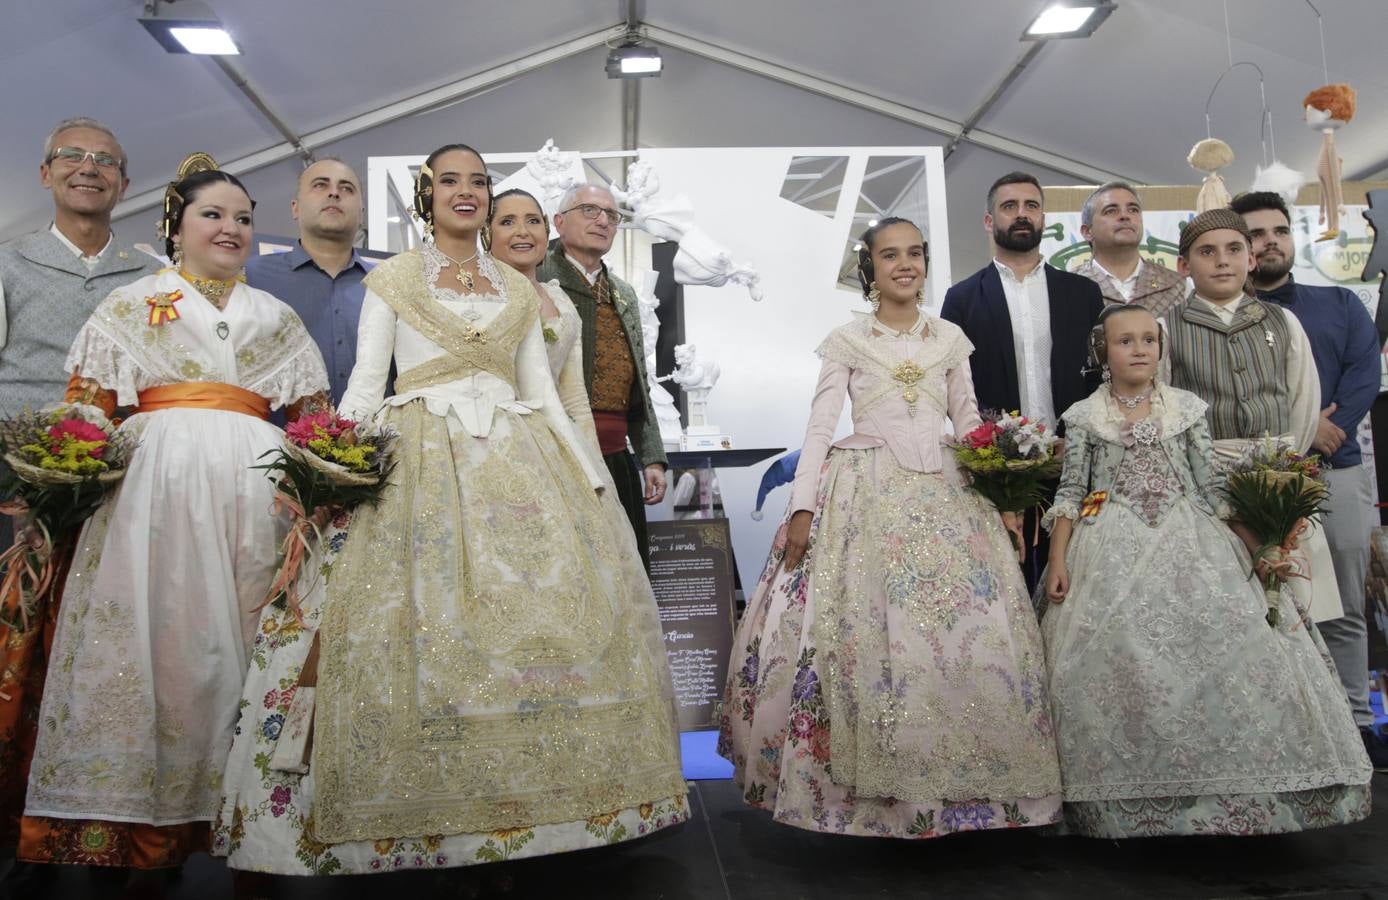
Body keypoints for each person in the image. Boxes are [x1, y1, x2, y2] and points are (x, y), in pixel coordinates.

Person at [214, 144, 687, 878]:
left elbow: (540, 388)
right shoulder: (395, 277)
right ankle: (421, 808)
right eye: (451, 182)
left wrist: (591, 482)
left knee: (547, 623)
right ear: (425, 195)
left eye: (478, 182)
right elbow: (368, 386)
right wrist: (331, 473)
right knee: (422, 625)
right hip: (422, 452)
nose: (466, 193)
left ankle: (538, 806)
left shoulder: (516, 287)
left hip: (522, 452)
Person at [19, 155, 329, 879]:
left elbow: (315, 421)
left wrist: (330, 479)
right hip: (150, 501)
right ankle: (140, 831)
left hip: (259, 503)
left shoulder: (275, 315)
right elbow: (85, 408)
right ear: (176, 226)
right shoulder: (132, 302)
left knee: (252, 643)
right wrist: (57, 473)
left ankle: (254, 826)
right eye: (212, 215)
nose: (231, 228)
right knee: (161, 645)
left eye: (244, 219)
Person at [719, 217, 1062, 838]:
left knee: (964, 634)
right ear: (868, 269)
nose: (905, 264)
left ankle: (967, 794)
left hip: (951, 496)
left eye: (915, 254)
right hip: (865, 493)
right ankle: (876, 801)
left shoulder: (951, 338)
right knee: (871, 631)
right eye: (890, 255)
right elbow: (820, 429)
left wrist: (1003, 500)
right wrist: (802, 508)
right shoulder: (846, 341)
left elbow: (968, 422)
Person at [1041, 304, 1371, 837]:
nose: (1140, 349)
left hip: (1193, 539)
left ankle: (1236, 791)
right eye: (1127, 341)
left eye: (1150, 339)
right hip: (1108, 545)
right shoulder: (1084, 418)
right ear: (1104, 351)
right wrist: (1058, 558)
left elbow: (1211, 490)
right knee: (1118, 659)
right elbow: (1072, 493)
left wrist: (1256, 545)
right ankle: (1119, 800)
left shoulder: (1188, 410)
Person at [0, 115, 161, 894]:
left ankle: (105, 823)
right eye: (73, 157)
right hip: (19, 486)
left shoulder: (150, 274)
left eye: (106, 160)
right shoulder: (9, 263)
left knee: (108, 650)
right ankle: (14, 827)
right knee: (15, 653)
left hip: (120, 483)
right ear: (45, 173)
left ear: (125, 185)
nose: (89, 169)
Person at [1232, 190, 1388, 770]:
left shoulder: (1340, 303)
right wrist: (1300, 433)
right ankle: (1284, 722)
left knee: (1344, 598)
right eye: (1256, 235)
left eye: (1278, 231)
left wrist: (1330, 429)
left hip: (1336, 469)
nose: (1269, 242)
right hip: (1258, 479)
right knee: (1265, 598)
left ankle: (1357, 722)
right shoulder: (1225, 317)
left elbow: (1363, 374)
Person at [1163, 208, 1342, 625]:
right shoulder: (1167, 327)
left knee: (1295, 606)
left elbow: (1302, 397)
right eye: (1207, 252)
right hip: (1208, 482)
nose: (1222, 260)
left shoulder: (1283, 321)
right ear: (1184, 266)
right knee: (1227, 606)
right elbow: (1164, 409)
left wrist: (1284, 470)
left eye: (1234, 249)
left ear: (1251, 260)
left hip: (1280, 472)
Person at [941, 172, 1103, 589]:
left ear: (1044, 217)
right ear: (989, 221)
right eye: (1009, 207)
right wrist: (989, 453)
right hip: (999, 473)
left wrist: (1082, 439)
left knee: (1076, 582)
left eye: (1031, 206)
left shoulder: (1082, 293)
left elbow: (1102, 378)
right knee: (1008, 585)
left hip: (1073, 463)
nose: (1021, 215)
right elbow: (955, 387)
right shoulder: (962, 298)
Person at [537, 184, 666, 567]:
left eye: (612, 215)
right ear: (559, 222)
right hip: (556, 453)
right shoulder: (536, 279)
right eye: (590, 210)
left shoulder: (623, 293)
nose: (603, 221)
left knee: (628, 571)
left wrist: (652, 456)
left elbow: (638, 380)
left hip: (616, 455)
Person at [244, 157, 373, 406]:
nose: (334, 193)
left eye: (347, 188)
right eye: (320, 185)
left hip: (376, 440)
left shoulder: (386, 286)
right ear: (295, 208)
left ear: (361, 214)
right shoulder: (252, 277)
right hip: (274, 441)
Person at [487, 187, 602, 467]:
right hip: (496, 444)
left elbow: (574, 397)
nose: (523, 231)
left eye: (533, 221)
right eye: (507, 222)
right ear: (485, 233)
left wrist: (592, 459)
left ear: (547, 229)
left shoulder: (560, 300)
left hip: (558, 443)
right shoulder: (480, 298)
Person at [1072, 181, 1185, 318]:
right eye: (1111, 211)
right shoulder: (1068, 288)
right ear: (1087, 231)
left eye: (1133, 210)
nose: (1125, 216)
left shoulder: (1176, 285)